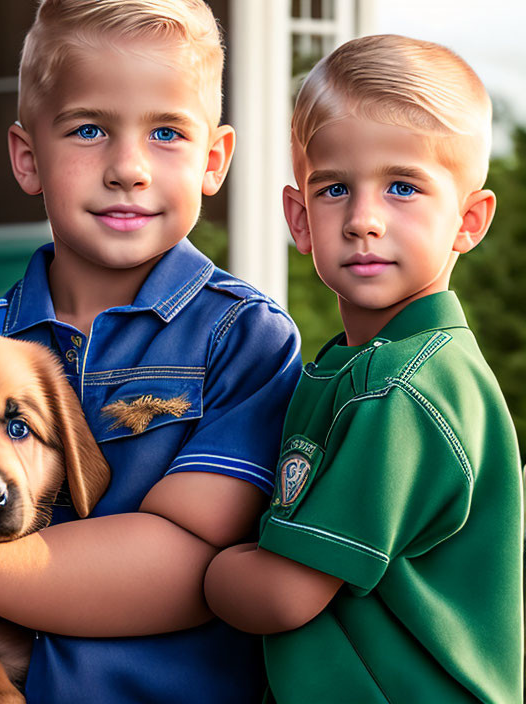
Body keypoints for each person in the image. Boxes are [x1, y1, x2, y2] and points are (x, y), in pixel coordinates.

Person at [0, 1, 301, 702]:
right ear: (27, 158)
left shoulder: (243, 339)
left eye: (167, 133)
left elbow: (189, 568)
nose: (128, 168)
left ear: (214, 161)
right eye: (89, 129)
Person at [204, 34, 523, 703]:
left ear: (468, 220)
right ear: (299, 217)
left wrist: (206, 566)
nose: (363, 220)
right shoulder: (359, 369)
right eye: (335, 189)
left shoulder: (404, 389)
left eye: (403, 187)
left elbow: (283, 594)